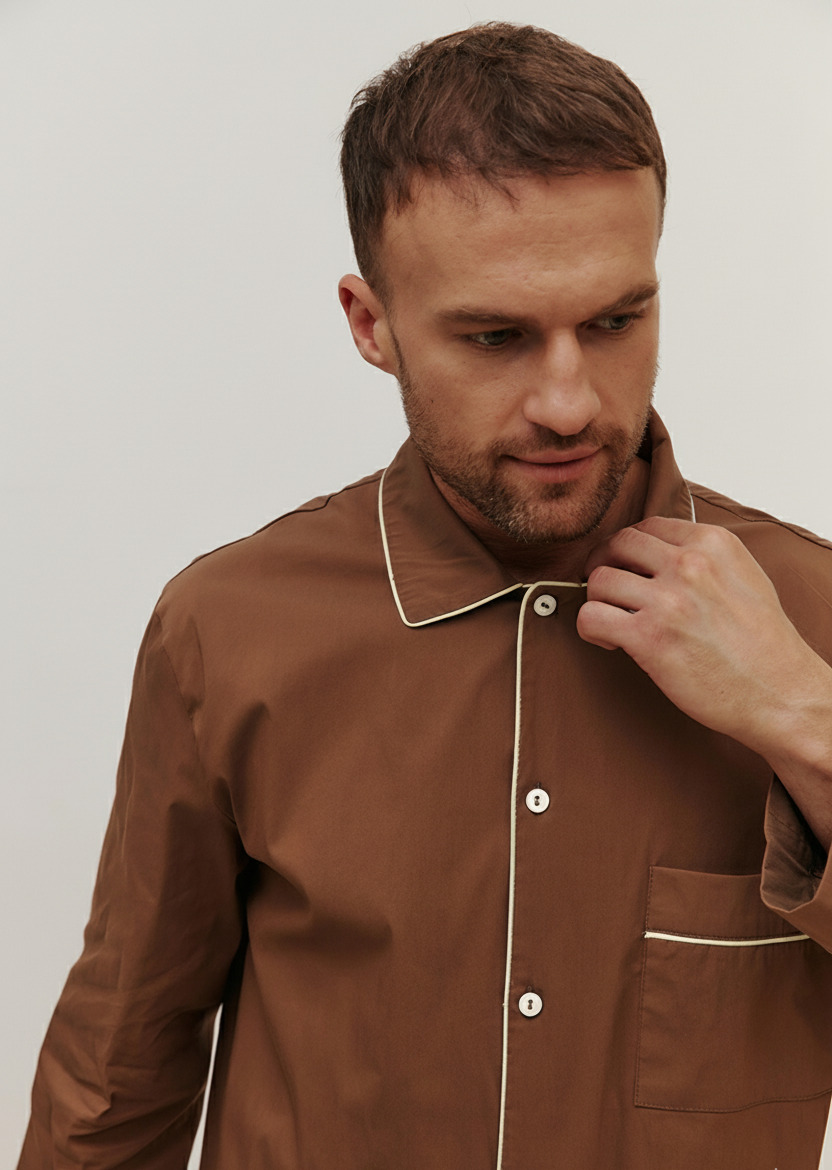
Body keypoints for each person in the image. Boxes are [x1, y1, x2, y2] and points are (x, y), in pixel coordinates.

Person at [17, 22, 832, 1170]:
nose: (567, 401)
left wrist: (800, 714)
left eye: (614, 322)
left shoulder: (807, 613)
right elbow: (120, 1073)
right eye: (495, 336)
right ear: (371, 325)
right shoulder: (230, 629)